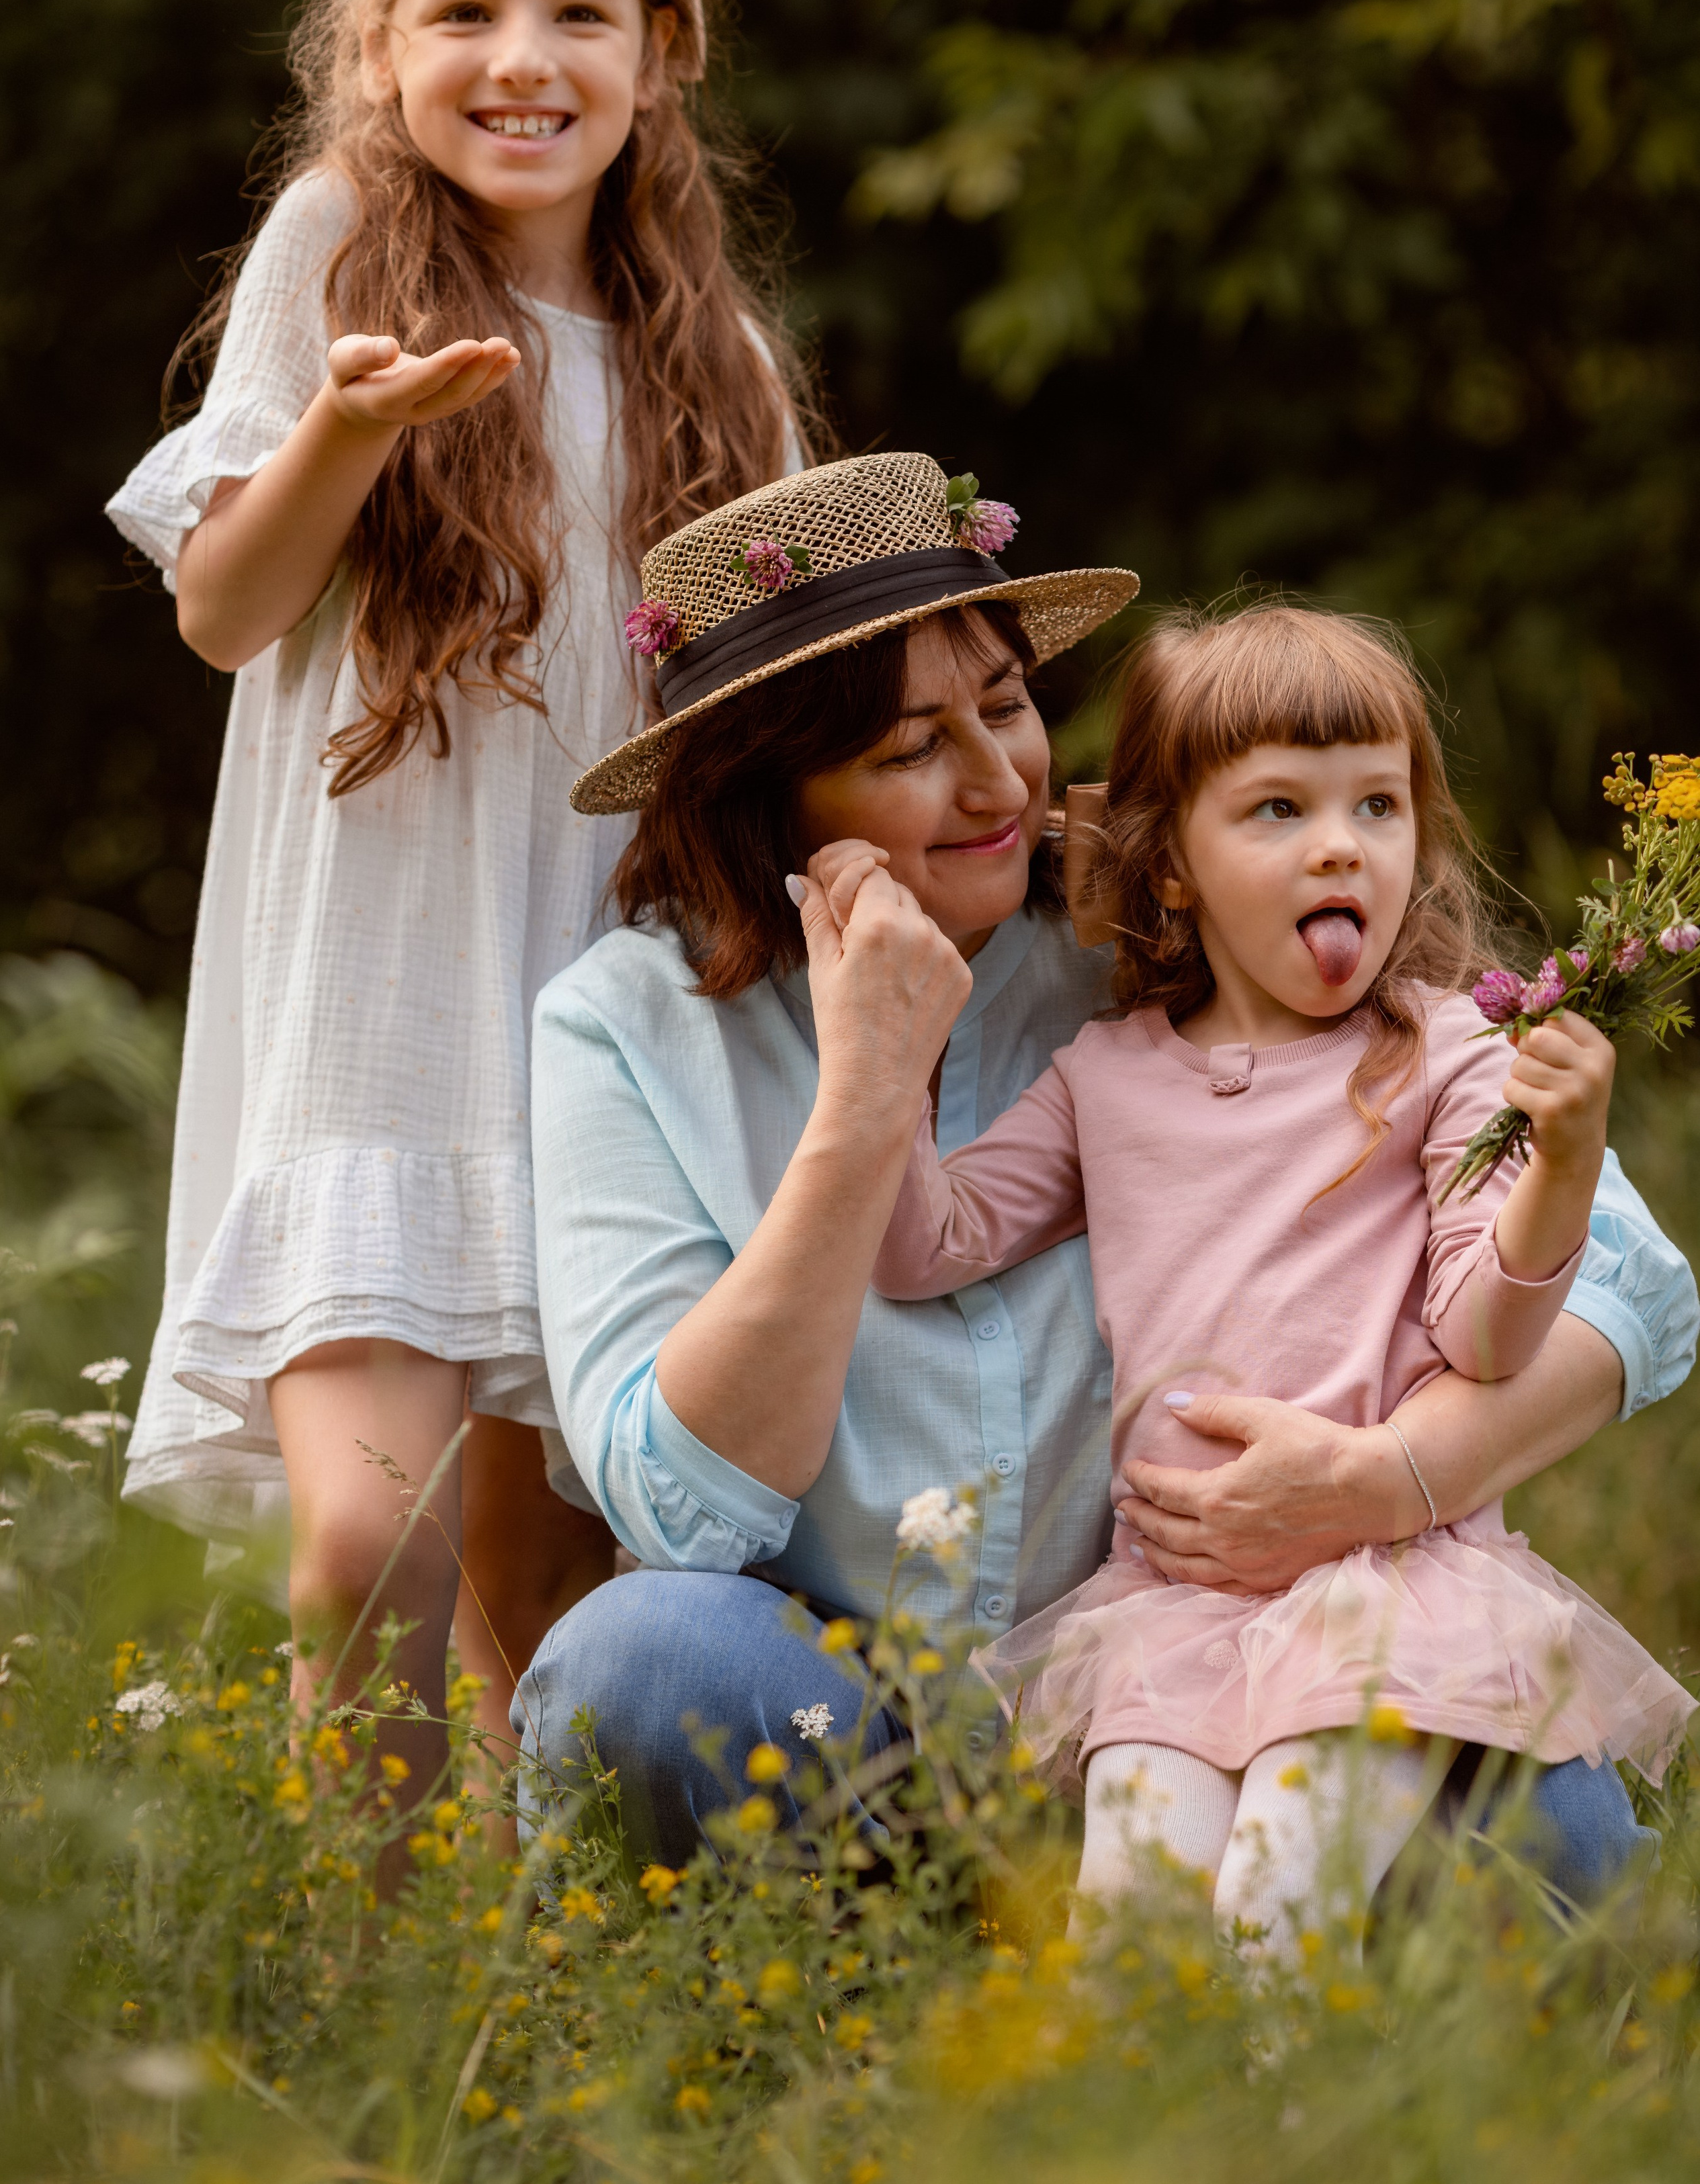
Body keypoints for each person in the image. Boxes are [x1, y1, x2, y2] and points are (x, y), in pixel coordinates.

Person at [517, 453, 1698, 1892]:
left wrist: (1391, 1478)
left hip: (1225, 1683)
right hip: (840, 1729)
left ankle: (1238, 2011)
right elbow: (683, 1512)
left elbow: (1633, 1291)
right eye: (907, 750)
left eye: (1003, 706)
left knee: (1557, 1832)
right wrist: (864, 1090)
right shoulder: (623, 1025)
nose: (995, 777)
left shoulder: (1174, 925)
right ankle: (881, 1976)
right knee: (642, 1664)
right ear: (767, 795)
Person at [102, 0, 810, 1825]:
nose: (523, 60)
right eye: (468, 13)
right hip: (383, 1017)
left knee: (549, 1605)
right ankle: (363, 2028)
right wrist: (343, 423)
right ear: (381, 48)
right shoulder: (339, 253)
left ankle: (527, 2043)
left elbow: (755, 725)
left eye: (580, 14)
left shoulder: (726, 362)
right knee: (370, 1557)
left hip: (612, 1027)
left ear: (663, 50)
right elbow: (228, 614)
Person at [871, 603, 1695, 1964]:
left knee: (1275, 1924)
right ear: (1174, 866)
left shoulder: (1445, 1051)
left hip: (1383, 1591)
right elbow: (928, 1239)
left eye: (1376, 801)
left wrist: (1563, 1160)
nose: (1337, 841)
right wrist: (887, 1055)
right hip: (1172, 1603)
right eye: (1274, 808)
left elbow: (1480, 1336)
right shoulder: (1106, 1074)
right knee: (1125, 1947)